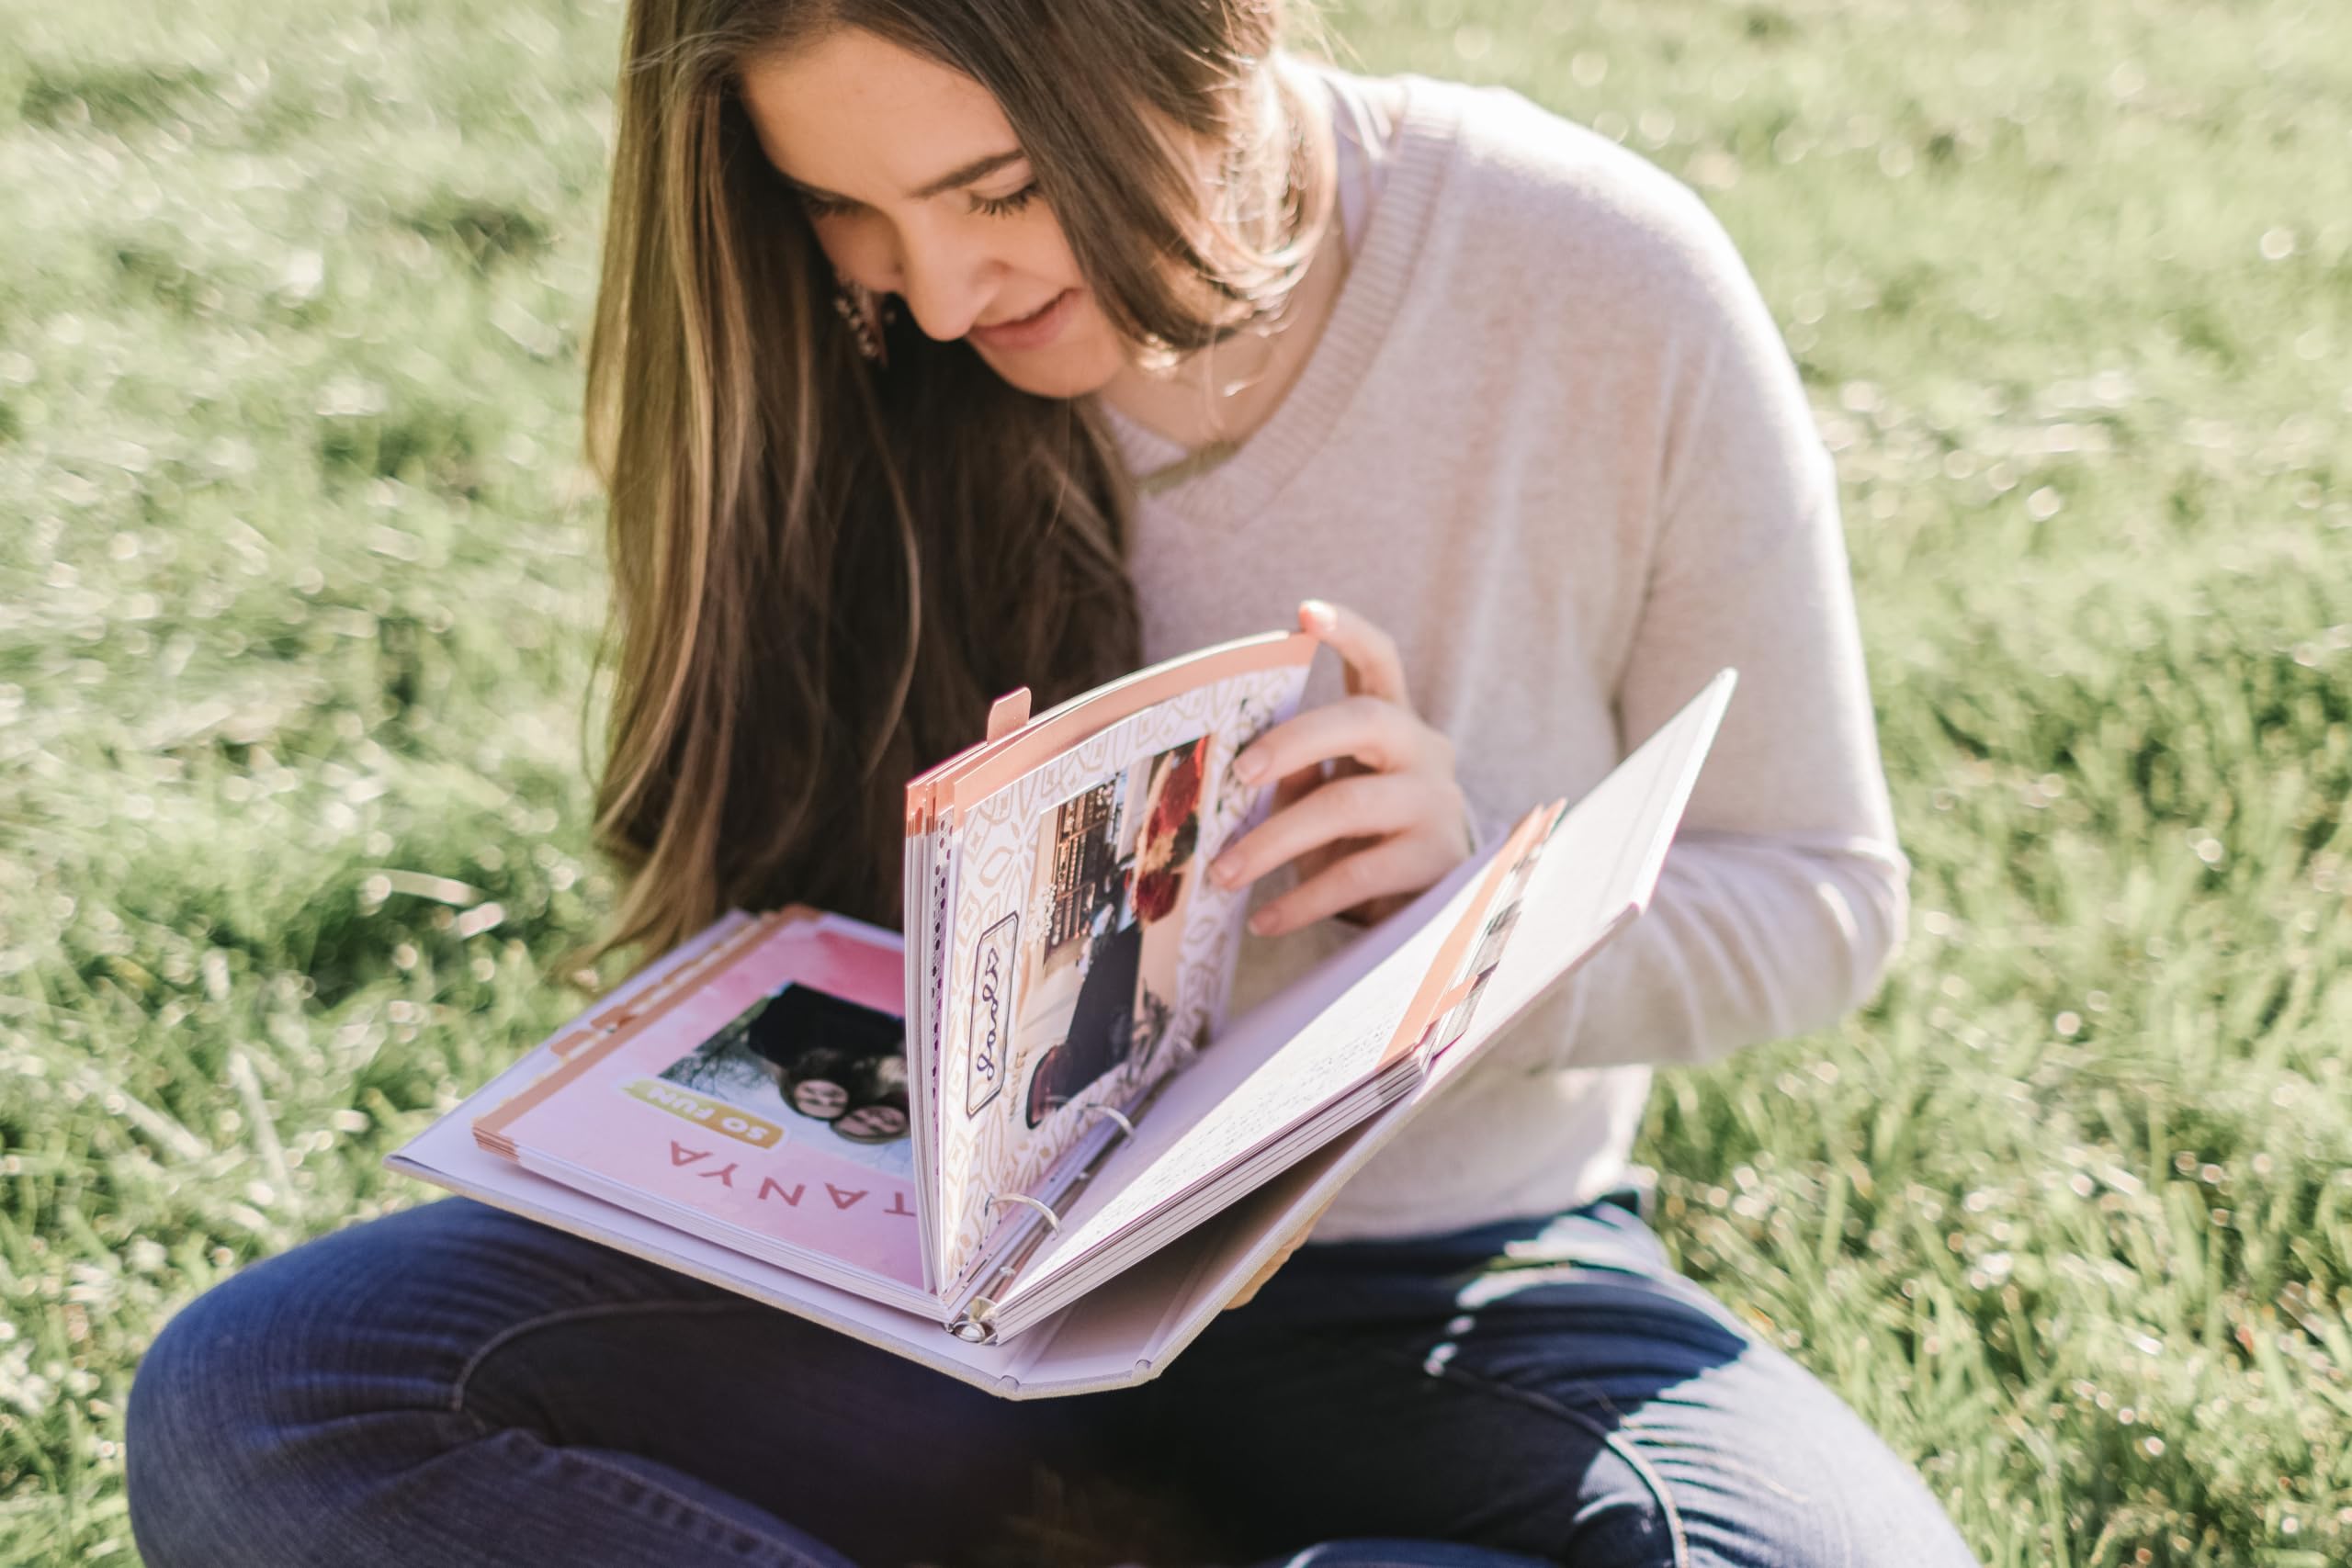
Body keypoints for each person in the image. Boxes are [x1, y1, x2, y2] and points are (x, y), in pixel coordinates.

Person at [122, 1, 1981, 1564]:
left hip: (1438, 1283)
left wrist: (1469, 912)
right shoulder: (822, 359)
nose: (936, 293)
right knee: (261, 1399)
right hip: (927, 1301)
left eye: (996, 188)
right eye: (840, 205)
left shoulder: (1590, 280)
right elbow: (750, 956)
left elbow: (1818, 886)